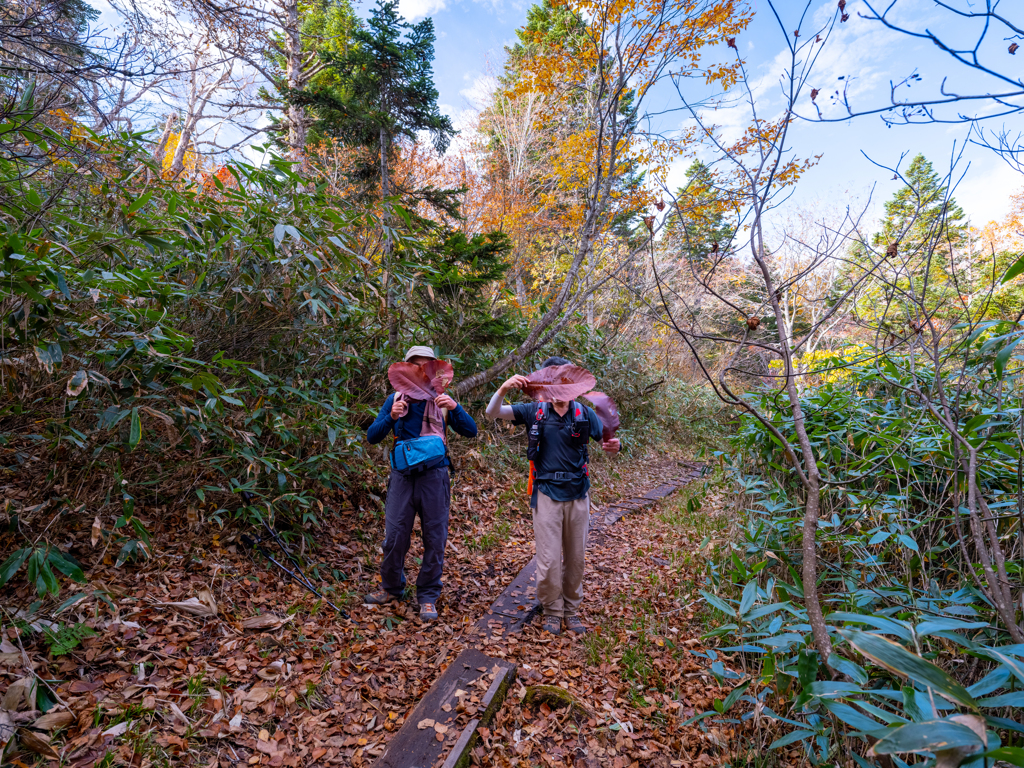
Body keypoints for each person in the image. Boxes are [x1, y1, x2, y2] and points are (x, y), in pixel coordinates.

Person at [485, 356, 620, 636]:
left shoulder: (584, 413)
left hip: (578, 493)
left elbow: (609, 443)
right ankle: (552, 610)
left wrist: (615, 447)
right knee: (547, 559)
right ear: (546, 384)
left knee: (576, 558)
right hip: (546, 492)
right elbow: (492, 413)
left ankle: (571, 610)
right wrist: (503, 389)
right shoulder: (535, 409)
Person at [364, 345, 478, 622]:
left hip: (435, 477)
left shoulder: (442, 401)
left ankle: (427, 595)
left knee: (435, 538)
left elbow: (471, 431)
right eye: (415, 366)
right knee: (394, 536)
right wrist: (392, 416)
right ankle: (391, 588)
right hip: (403, 477)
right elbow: (372, 436)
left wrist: (455, 407)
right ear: (407, 370)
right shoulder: (396, 399)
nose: (421, 372)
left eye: (426, 367)